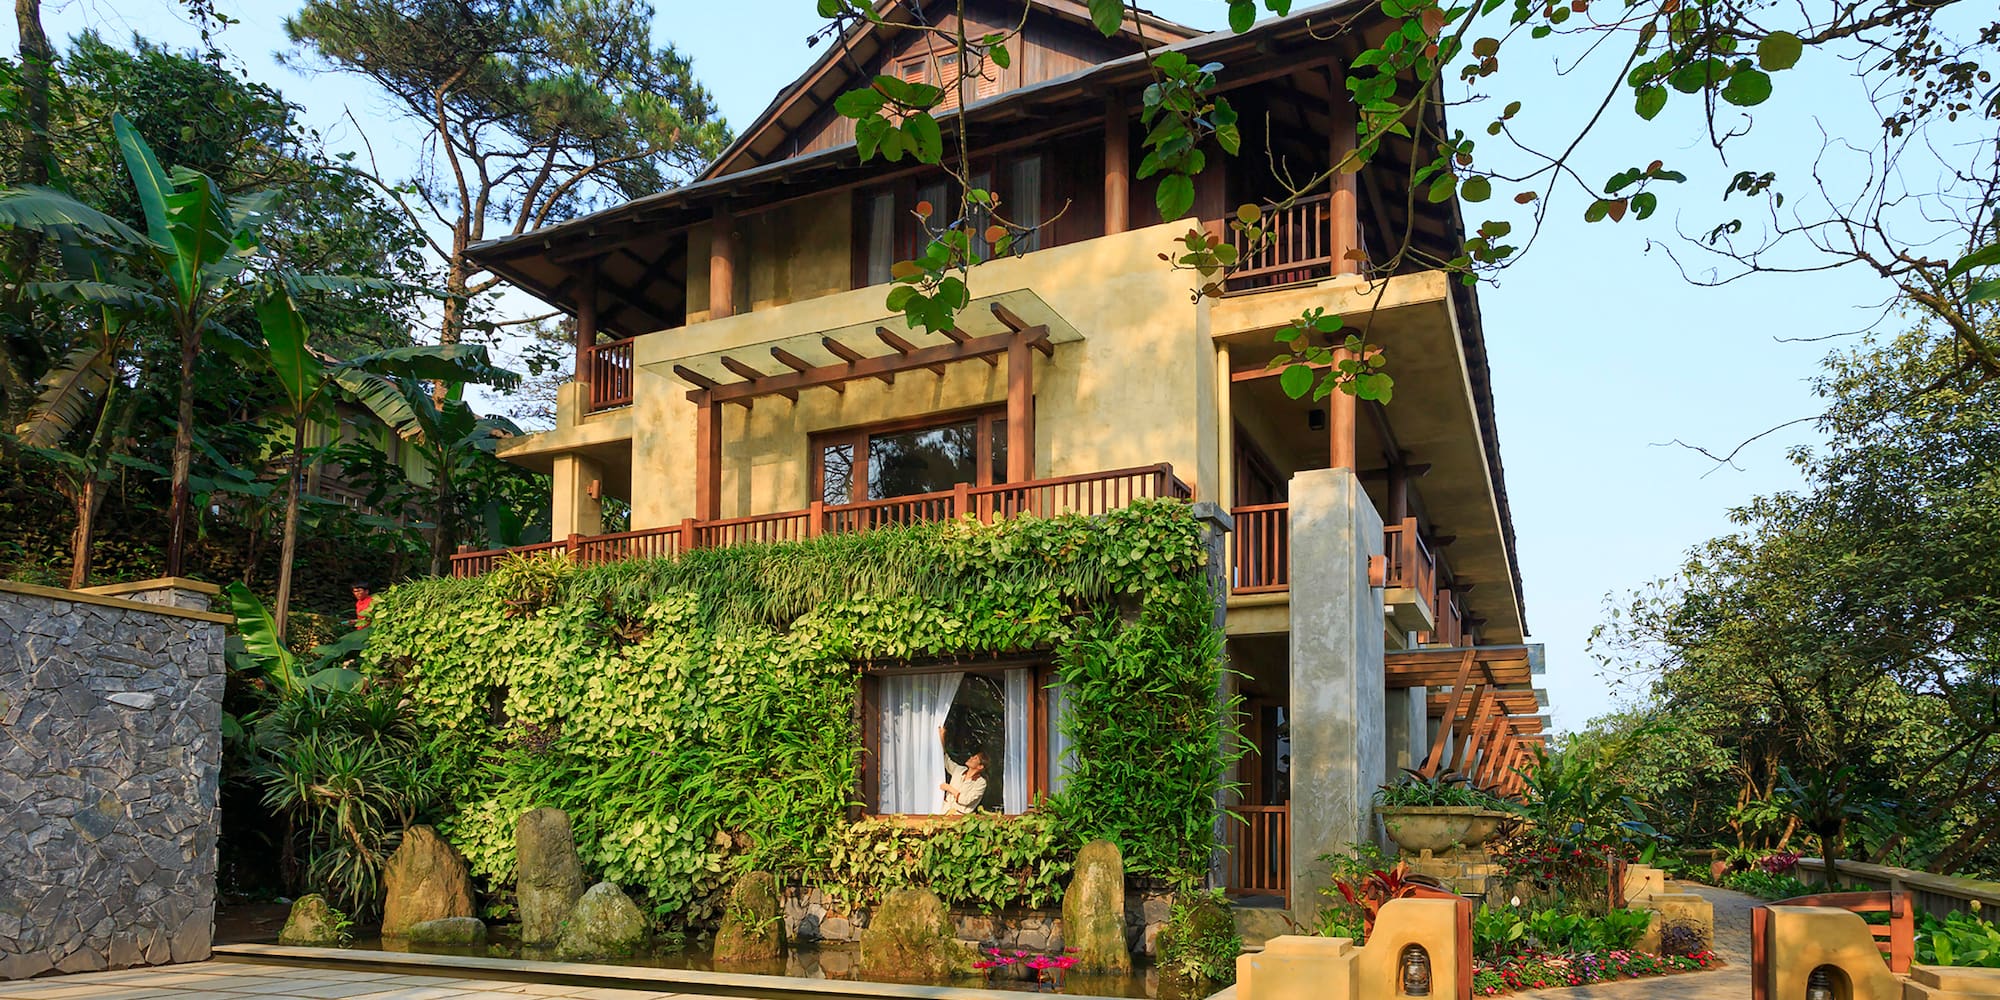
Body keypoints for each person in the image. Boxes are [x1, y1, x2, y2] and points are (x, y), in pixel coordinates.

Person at [936, 724, 987, 815]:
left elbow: (966, 800)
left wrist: (949, 788)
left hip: (959, 817)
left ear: (980, 766)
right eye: (973, 756)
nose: (971, 758)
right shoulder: (959, 770)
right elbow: (945, 759)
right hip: (944, 812)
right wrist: (942, 738)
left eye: (975, 758)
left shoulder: (980, 782)